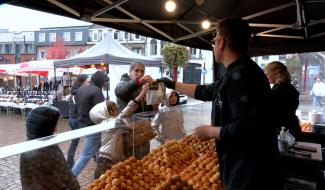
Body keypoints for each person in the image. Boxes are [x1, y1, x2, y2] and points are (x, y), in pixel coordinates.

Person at [158, 18, 283, 190]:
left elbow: (247, 128)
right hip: (246, 166)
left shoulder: (242, 76)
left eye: (214, 40)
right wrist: (172, 84)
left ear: (222, 42)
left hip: (250, 172)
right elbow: (207, 91)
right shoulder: (238, 71)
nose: (213, 45)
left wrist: (210, 131)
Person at [90, 83, 149, 178]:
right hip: (106, 160)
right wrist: (142, 94)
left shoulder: (111, 122)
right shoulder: (109, 123)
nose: (117, 110)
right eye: (113, 109)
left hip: (112, 159)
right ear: (106, 113)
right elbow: (127, 110)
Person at [20, 106, 80, 190]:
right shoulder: (45, 149)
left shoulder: (33, 145)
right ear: (47, 126)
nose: (57, 128)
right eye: (55, 124)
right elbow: (58, 178)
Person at [71, 70, 109, 177]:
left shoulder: (82, 88)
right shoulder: (97, 91)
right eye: (103, 81)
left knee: (99, 151)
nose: (104, 84)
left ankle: (104, 173)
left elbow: (78, 106)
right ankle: (71, 177)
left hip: (83, 124)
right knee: (86, 156)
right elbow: (101, 111)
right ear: (99, 81)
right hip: (93, 127)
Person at [264, 61, 302, 138]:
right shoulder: (290, 88)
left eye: (267, 73)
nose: (266, 76)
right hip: (292, 128)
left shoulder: (278, 90)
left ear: (276, 73)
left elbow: (270, 112)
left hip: (283, 131)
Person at [66, 74, 89, 168]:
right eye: (87, 81)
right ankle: (97, 158)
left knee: (75, 141)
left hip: (72, 118)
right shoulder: (80, 91)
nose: (89, 83)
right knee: (91, 138)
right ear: (82, 81)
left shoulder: (74, 90)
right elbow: (82, 106)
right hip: (77, 119)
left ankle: (69, 162)